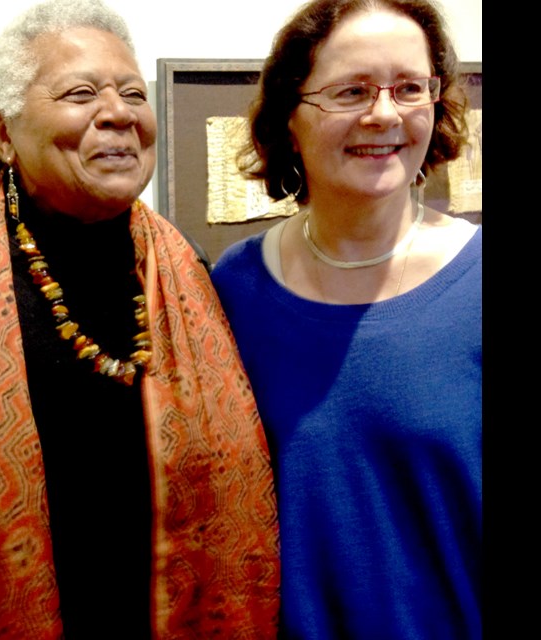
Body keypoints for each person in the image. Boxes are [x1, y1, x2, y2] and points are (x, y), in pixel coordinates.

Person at [0, 0, 280, 637]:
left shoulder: (186, 269)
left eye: (133, 92)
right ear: (3, 128)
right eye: (81, 93)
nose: (118, 113)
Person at [210, 0, 481, 637]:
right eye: (351, 90)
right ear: (289, 116)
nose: (384, 113)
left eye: (410, 87)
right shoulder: (234, 287)